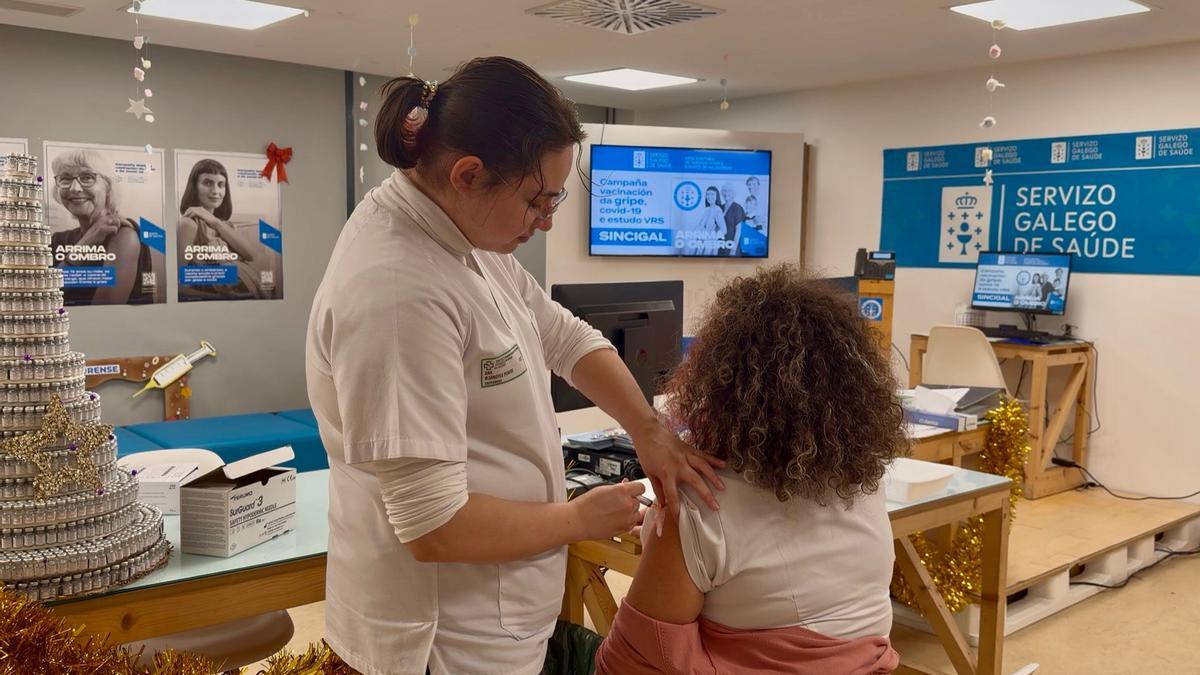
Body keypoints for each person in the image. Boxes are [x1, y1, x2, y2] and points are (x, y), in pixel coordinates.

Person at [305, 56, 723, 675]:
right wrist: (577, 519)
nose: (547, 220)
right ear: (469, 174)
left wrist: (649, 430)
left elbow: (565, 337)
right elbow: (434, 527)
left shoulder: (462, 232)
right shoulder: (398, 292)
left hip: (496, 624)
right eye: (537, 201)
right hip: (442, 644)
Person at [596, 265, 905, 675]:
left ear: (720, 382)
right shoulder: (866, 484)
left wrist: (671, 534)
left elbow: (628, 665)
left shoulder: (700, 504)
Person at [49, 150, 153, 305]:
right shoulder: (59, 239)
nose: (74, 188)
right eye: (65, 179)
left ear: (108, 187)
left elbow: (104, 312)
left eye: (87, 177)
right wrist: (87, 243)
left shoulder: (123, 235)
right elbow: (40, 298)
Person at [177, 159, 265, 300]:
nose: (215, 191)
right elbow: (177, 287)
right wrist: (221, 298)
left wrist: (214, 221)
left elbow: (251, 255)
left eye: (221, 184)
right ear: (194, 187)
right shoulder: (189, 225)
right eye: (207, 183)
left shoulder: (226, 226)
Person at [685, 186, 724, 256]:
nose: (709, 196)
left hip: (709, 243)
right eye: (708, 194)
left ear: (717, 196)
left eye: (712, 194)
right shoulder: (707, 209)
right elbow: (700, 224)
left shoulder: (718, 210)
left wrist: (711, 237)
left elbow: (724, 230)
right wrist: (691, 234)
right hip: (700, 241)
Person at [719, 183, 745, 256]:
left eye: (729, 191)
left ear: (733, 193)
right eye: (724, 191)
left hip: (732, 246)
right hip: (721, 245)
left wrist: (733, 249)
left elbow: (738, 230)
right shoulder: (720, 207)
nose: (726, 193)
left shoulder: (737, 208)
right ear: (721, 193)